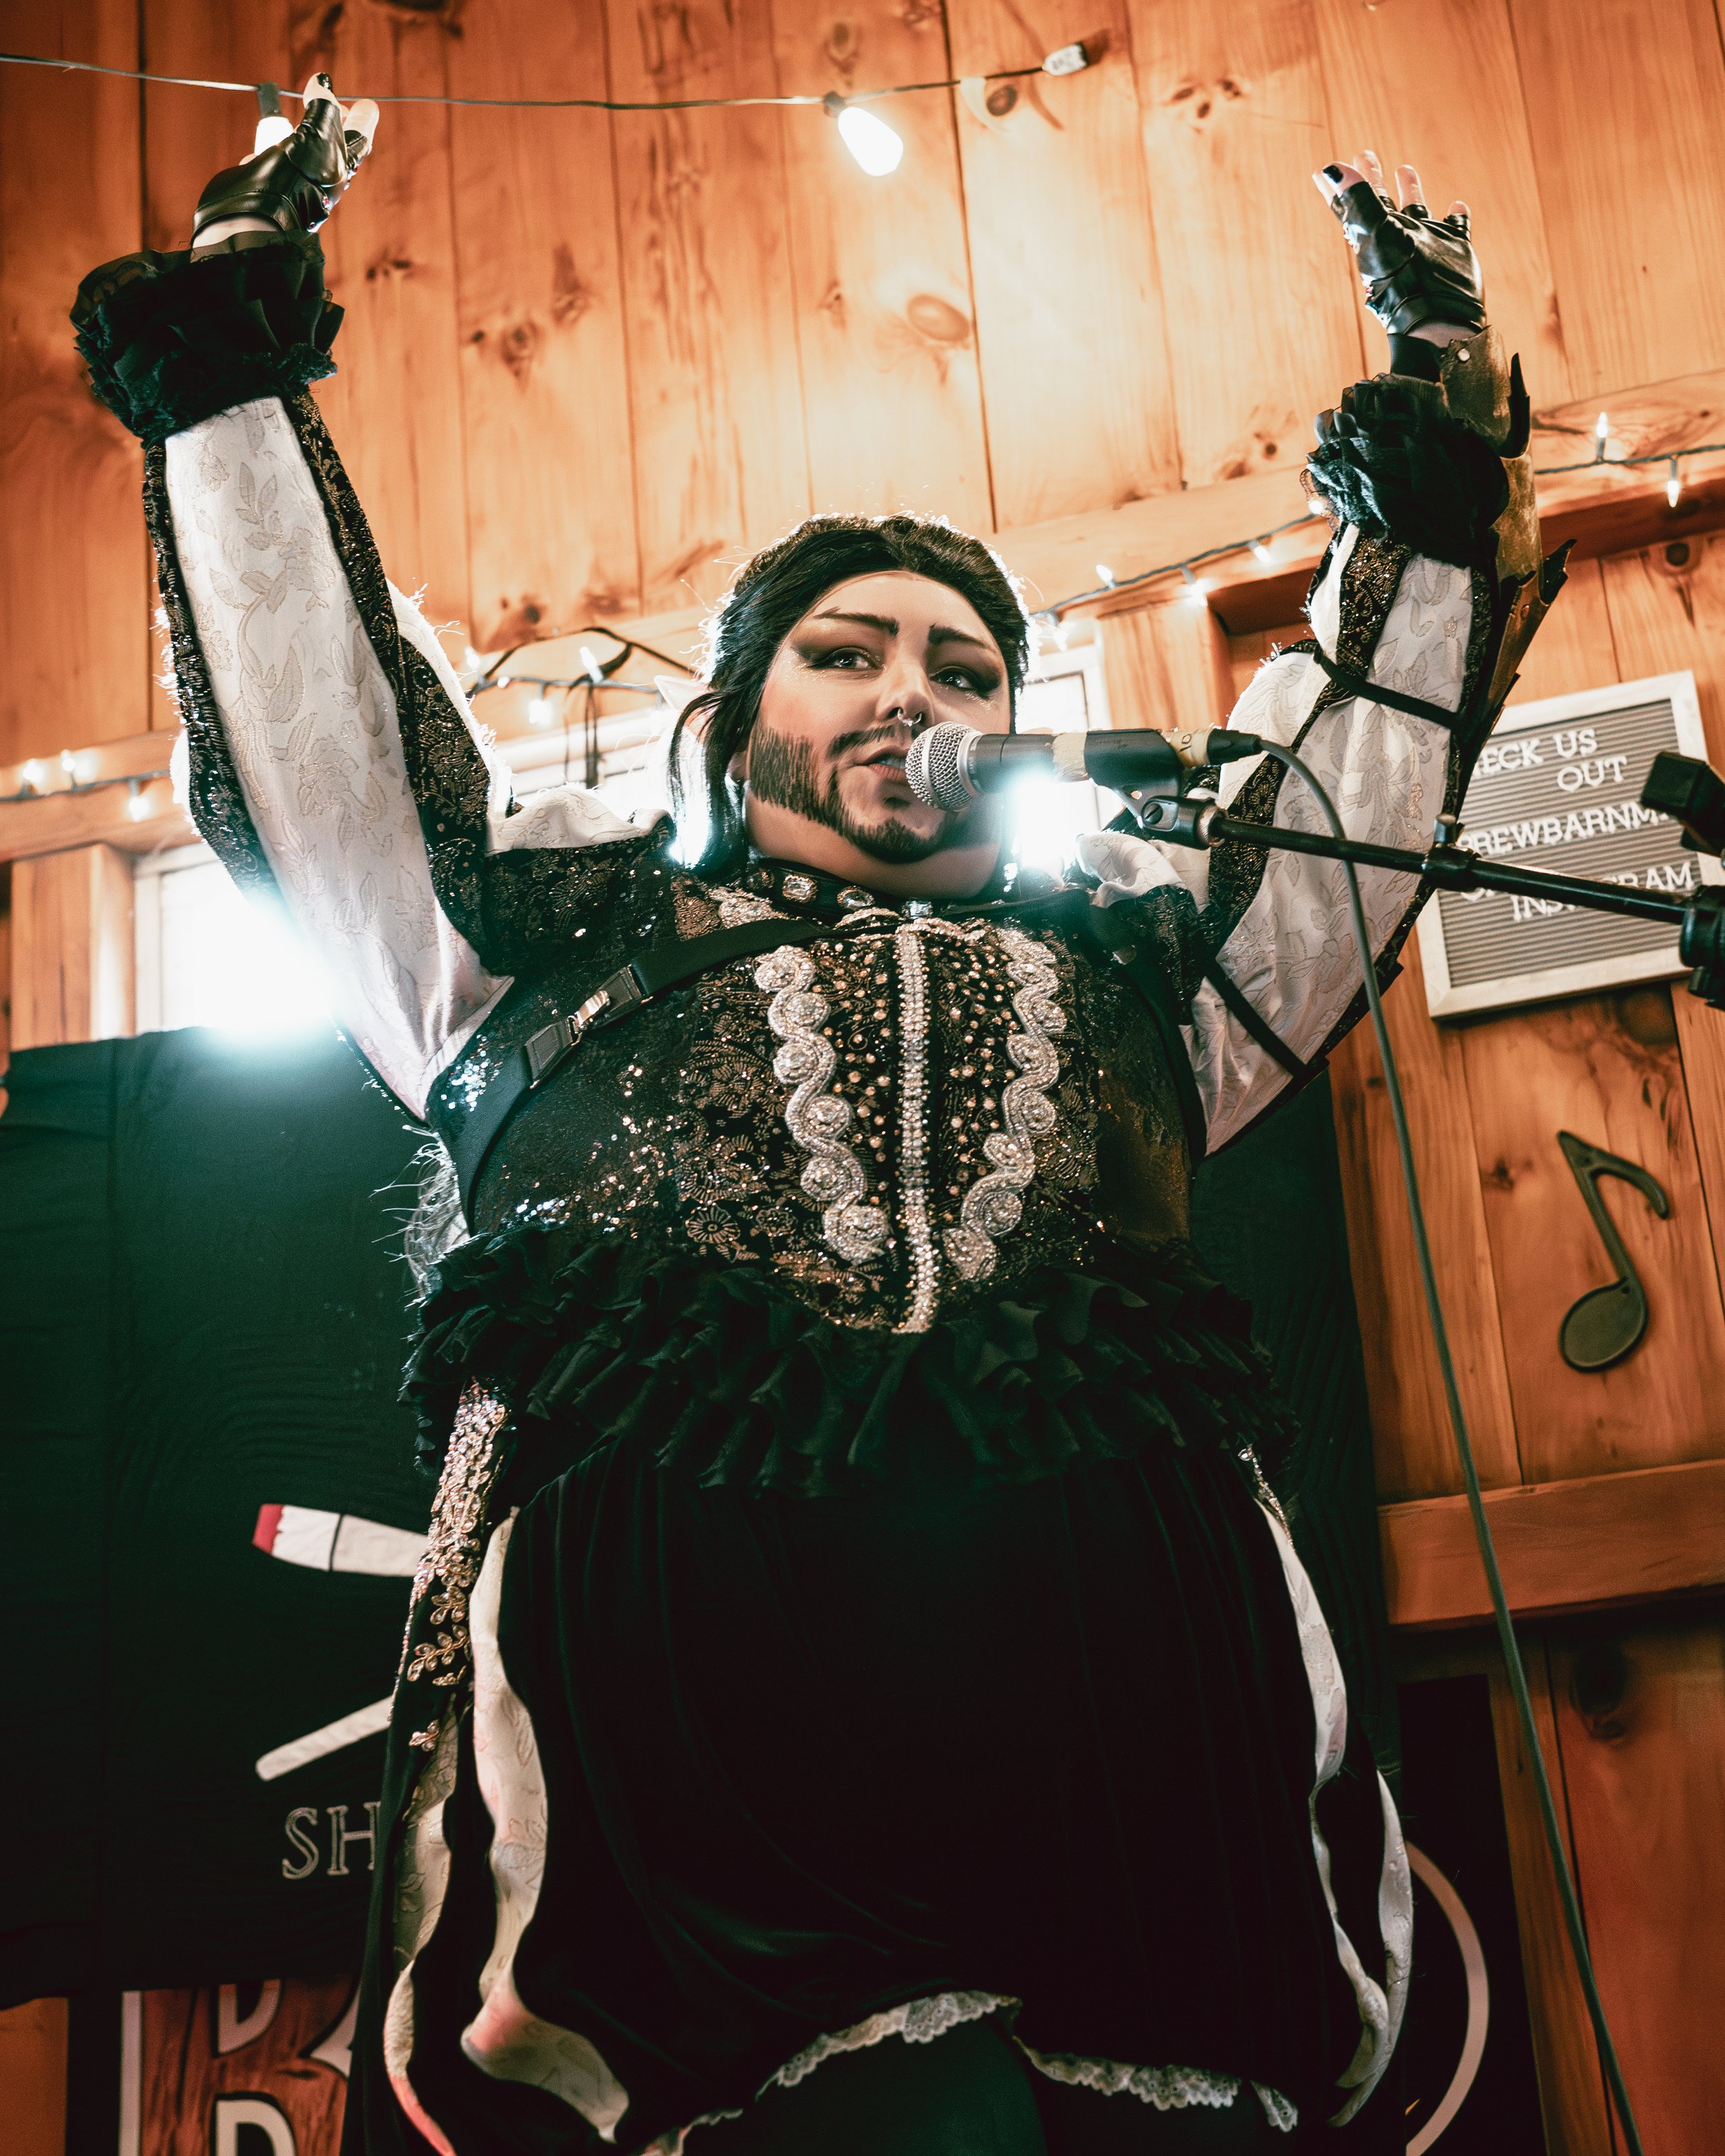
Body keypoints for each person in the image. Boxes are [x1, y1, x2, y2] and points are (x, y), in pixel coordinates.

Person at [72, 81, 1558, 2156]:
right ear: (731, 718)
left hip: (1115, 1757)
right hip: (685, 1804)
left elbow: (1356, 802)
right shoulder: (533, 942)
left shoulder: (1150, 973)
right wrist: (230, 364)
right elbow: (319, 740)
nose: (909, 695)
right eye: (845, 655)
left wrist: (1435, 442)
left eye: (962, 670)